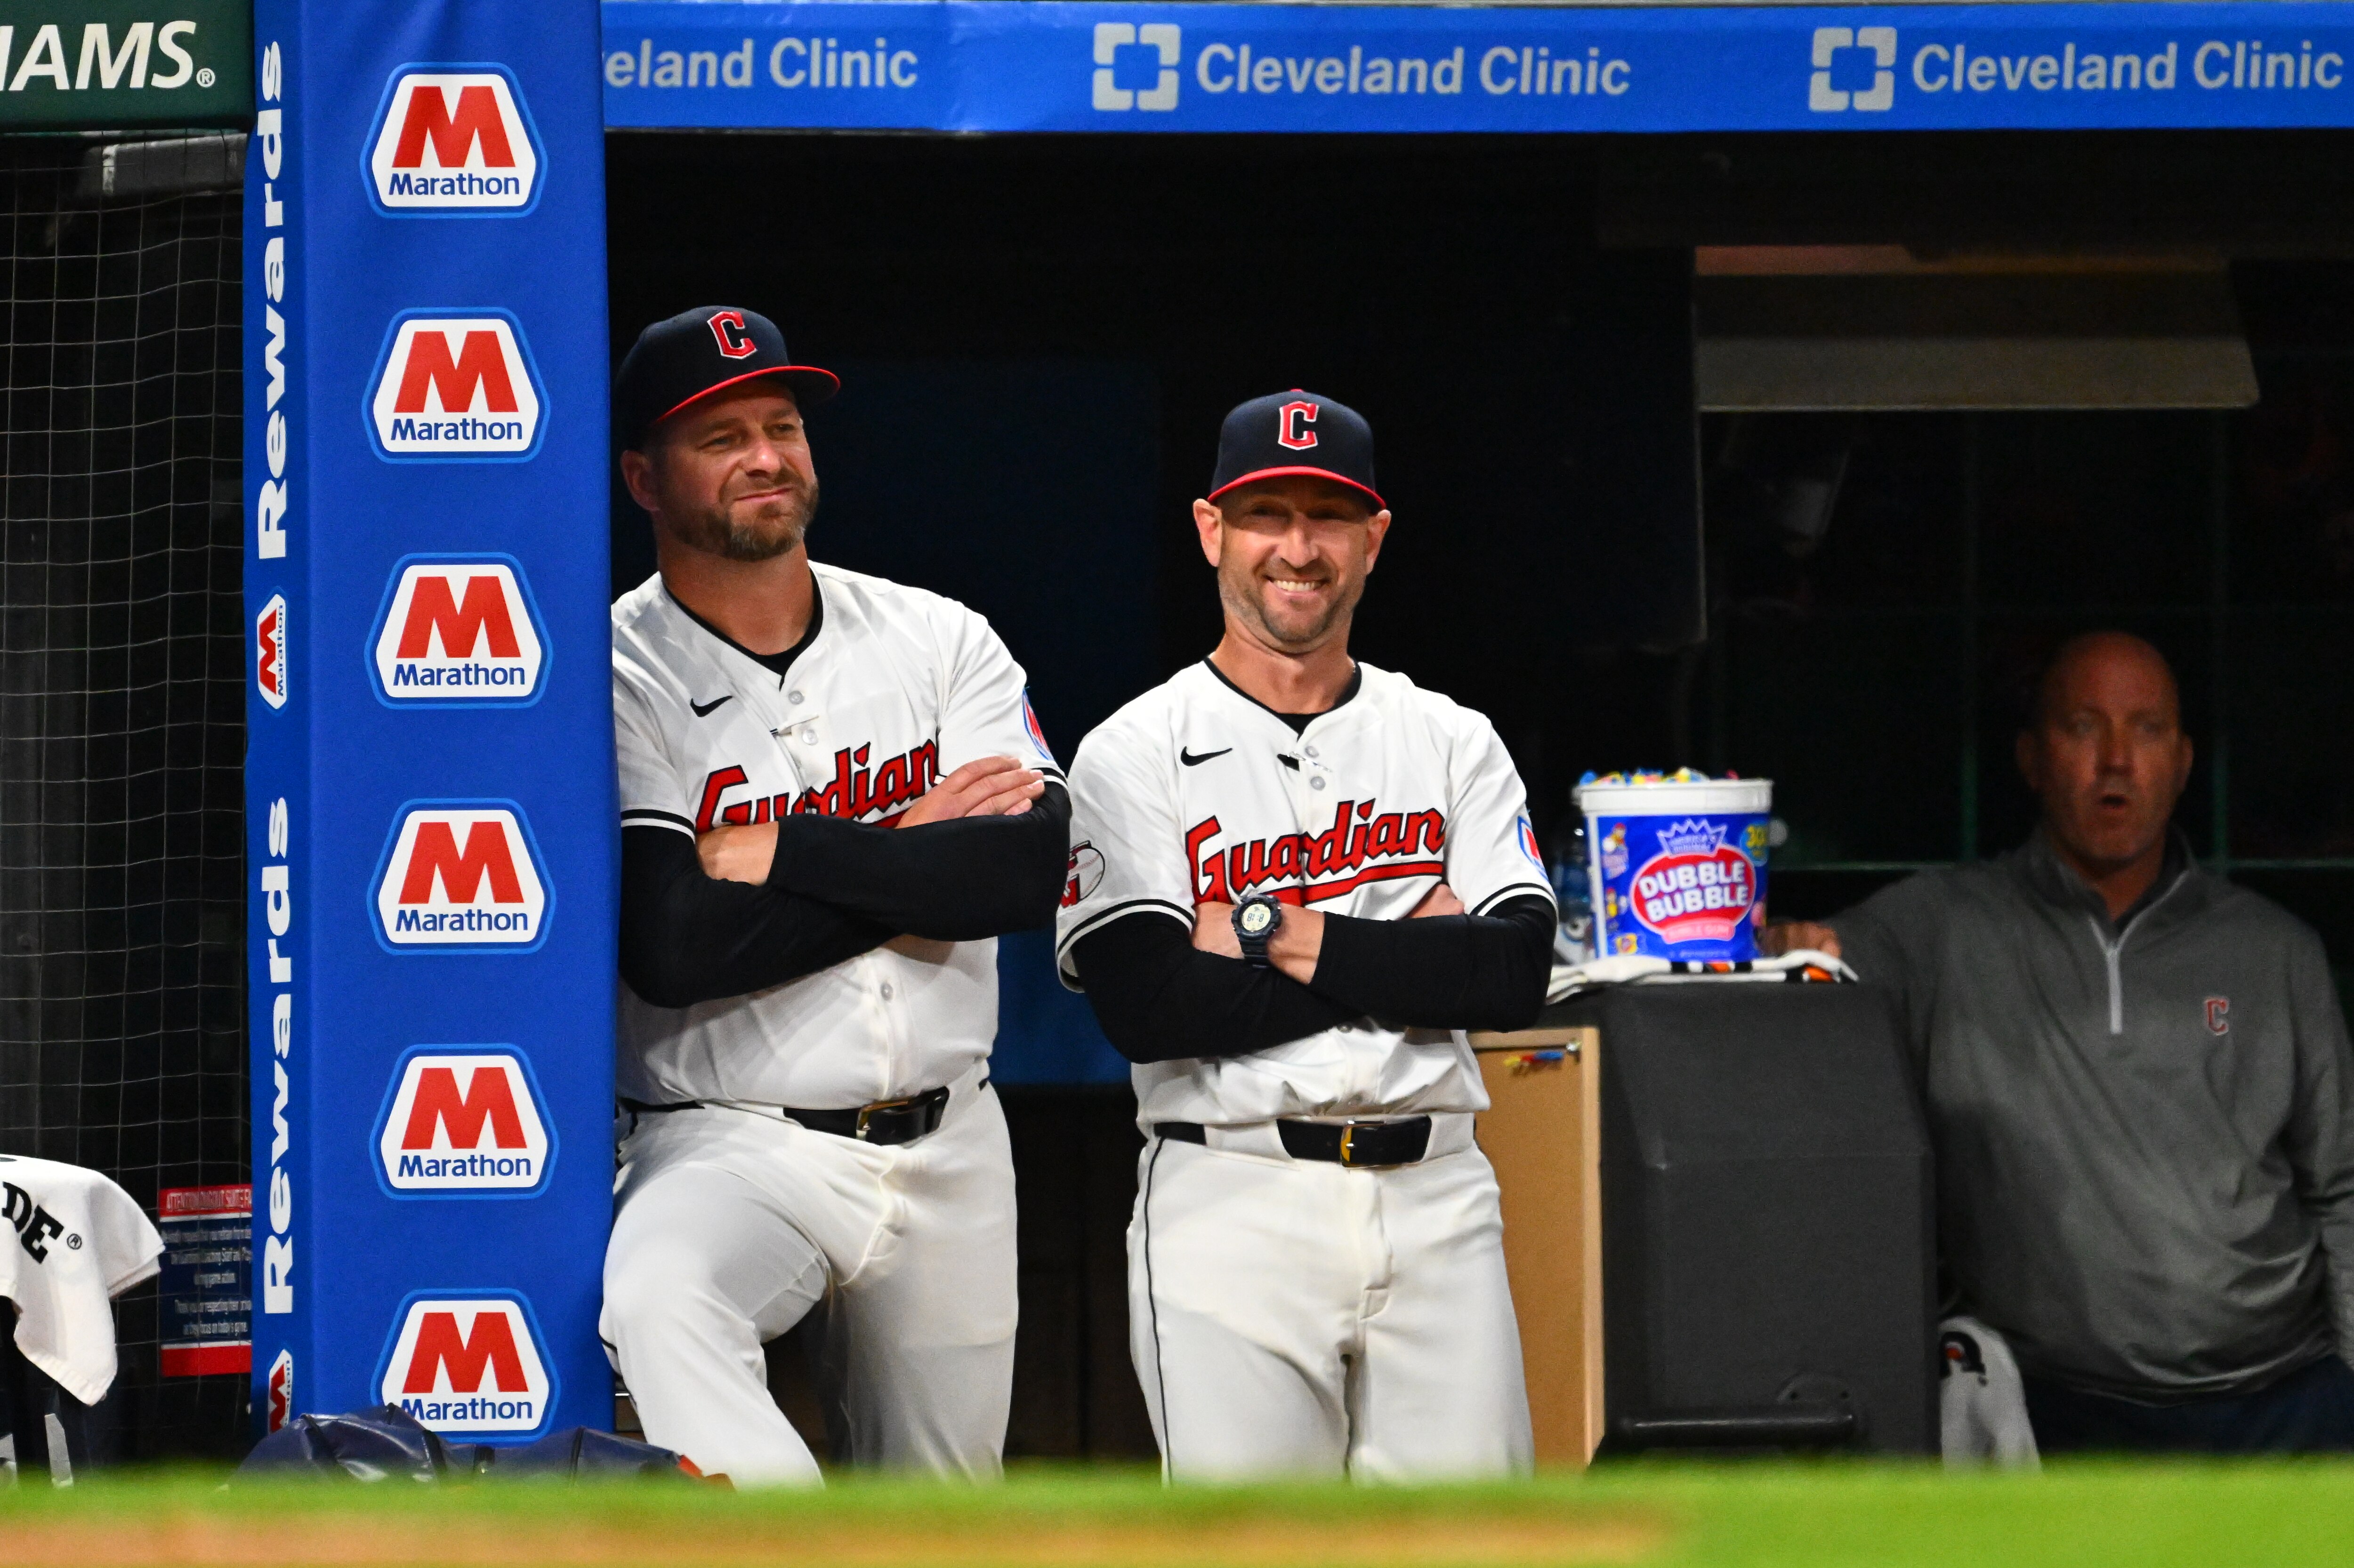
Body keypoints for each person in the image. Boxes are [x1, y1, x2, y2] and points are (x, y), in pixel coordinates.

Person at [597, 306, 1068, 1484]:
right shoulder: (612, 668)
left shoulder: (939, 634)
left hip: (951, 1132)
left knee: (944, 1518)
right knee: (659, 1298)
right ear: (643, 479)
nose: (766, 455)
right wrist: (911, 851)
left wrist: (789, 848)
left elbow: (1018, 868)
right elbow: (671, 941)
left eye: (783, 425)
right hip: (729, 1139)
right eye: (722, 437)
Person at [1054, 391, 1556, 1480]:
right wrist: (1407, 958)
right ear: (1210, 532)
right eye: (1265, 513)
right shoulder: (1133, 750)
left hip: (1439, 1194)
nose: (1297, 547)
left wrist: (1268, 931)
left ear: (1373, 539)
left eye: (1328, 516)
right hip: (1232, 1194)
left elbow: (1510, 971)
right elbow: (1150, 1007)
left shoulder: (1450, 738)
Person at [1767, 630, 2354, 1453]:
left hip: (2282, 1402)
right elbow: (1792, 973)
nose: (2116, 759)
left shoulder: (2276, 950)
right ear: (2033, 758)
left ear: (2182, 763)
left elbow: (2341, 1190)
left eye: (2146, 730)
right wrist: (1781, 943)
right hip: (2056, 1414)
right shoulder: (1939, 928)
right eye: (2084, 727)